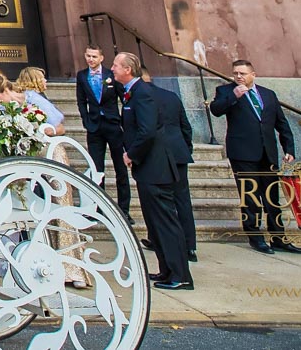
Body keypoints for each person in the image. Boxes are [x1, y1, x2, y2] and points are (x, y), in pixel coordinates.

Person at [210, 58, 301, 255]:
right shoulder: (226, 92)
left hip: (267, 153)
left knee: (271, 197)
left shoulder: (268, 95)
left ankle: (278, 238)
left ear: (252, 75)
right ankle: (255, 237)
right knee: (251, 197)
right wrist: (234, 97)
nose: (238, 76)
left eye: (242, 73)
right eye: (235, 73)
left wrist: (289, 148)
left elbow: (281, 123)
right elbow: (216, 110)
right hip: (243, 153)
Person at [116, 52, 193, 289]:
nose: (113, 68)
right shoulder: (133, 93)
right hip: (148, 168)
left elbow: (147, 131)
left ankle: (180, 275)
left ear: (128, 69)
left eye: (116, 65)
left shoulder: (143, 94)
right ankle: (167, 270)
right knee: (155, 222)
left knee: (165, 222)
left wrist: (131, 154)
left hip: (156, 167)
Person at [75, 45, 131, 222]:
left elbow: (124, 98)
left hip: (113, 125)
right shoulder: (82, 76)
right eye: (88, 56)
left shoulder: (110, 74)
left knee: (120, 168)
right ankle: (97, 208)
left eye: (94, 56)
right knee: (96, 168)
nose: (90, 59)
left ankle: (123, 209)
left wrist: (123, 121)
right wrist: (86, 120)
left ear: (101, 58)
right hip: (94, 126)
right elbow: (81, 100)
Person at [13, 67, 67, 136]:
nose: (45, 80)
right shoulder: (34, 98)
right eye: (43, 78)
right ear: (36, 81)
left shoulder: (30, 95)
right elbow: (54, 122)